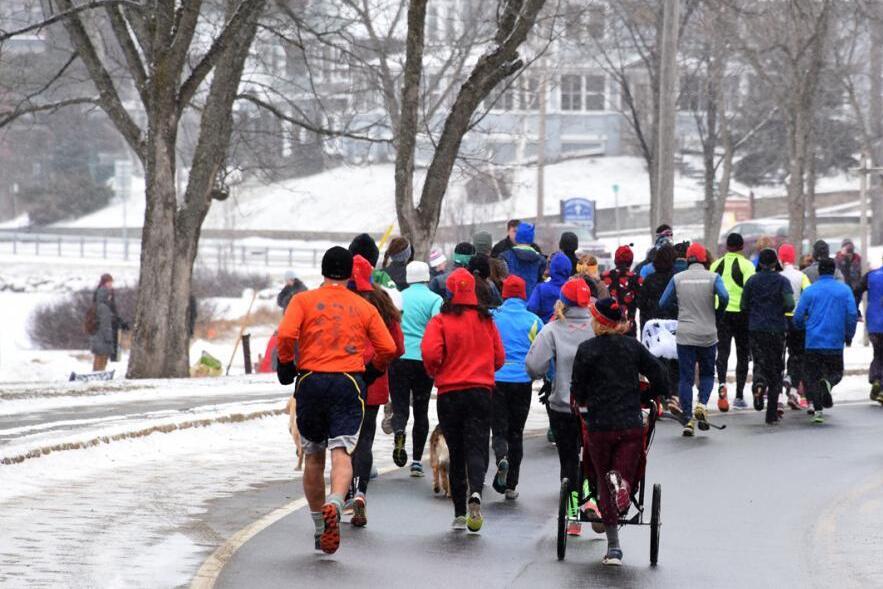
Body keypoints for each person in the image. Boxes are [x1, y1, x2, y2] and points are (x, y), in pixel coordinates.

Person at [276, 246, 397, 554]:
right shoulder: (362, 306)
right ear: (348, 275)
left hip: (311, 382)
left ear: (323, 271)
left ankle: (320, 526)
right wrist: (372, 370)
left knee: (314, 455)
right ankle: (335, 501)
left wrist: (287, 363)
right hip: (347, 383)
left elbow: (286, 334)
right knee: (341, 452)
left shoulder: (301, 301)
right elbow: (387, 347)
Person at [571, 297, 668, 566]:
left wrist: (582, 400)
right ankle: (624, 485)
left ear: (598, 322)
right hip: (629, 423)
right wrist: (658, 392)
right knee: (627, 468)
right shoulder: (633, 348)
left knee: (601, 478)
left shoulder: (587, 349)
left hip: (600, 424)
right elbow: (658, 373)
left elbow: (578, 388)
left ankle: (614, 548)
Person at [421, 268, 505, 532]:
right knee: (478, 447)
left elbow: (430, 353)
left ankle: (458, 512)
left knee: (456, 452)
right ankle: (476, 492)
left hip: (449, 393)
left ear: (450, 291)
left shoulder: (441, 321)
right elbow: (499, 357)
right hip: (481, 392)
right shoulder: (486, 321)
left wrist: (437, 370)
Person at [525, 279, 596, 536]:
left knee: (568, 461)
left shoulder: (553, 329)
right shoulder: (600, 328)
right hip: (596, 408)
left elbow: (533, 366)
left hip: (563, 406)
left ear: (562, 301)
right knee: (593, 457)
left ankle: (573, 514)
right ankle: (592, 500)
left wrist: (551, 372)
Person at [348, 255, 405, 527]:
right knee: (366, 440)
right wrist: (378, 364)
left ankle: (346, 493)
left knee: (344, 439)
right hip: (374, 379)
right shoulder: (383, 301)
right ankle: (360, 491)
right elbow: (398, 346)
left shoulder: (342, 301)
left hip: (343, 377)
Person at [660, 243, 730, 436]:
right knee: (707, 373)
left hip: (685, 334)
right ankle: (702, 404)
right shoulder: (713, 277)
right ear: (704, 259)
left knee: (686, 377)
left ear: (688, 259)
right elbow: (724, 296)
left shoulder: (678, 278)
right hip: (708, 333)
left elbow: (663, 302)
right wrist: (718, 311)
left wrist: (679, 307)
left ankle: (688, 418)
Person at [491, 275, 543, 500]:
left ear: (503, 294)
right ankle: (511, 484)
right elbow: (540, 349)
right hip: (522, 381)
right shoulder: (533, 320)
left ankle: (501, 456)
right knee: (516, 432)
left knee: (499, 430)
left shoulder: (493, 317)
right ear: (524, 295)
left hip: (497, 378)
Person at [389, 261, 443, 475]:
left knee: (400, 407)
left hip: (399, 357)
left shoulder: (398, 297)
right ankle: (417, 461)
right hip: (423, 360)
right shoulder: (435, 299)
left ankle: (399, 430)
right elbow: (438, 326)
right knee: (421, 411)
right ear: (427, 277)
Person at [792, 258, 858, 424]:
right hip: (835, 341)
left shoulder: (810, 291)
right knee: (836, 372)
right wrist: (849, 334)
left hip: (813, 341)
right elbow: (851, 314)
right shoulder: (844, 290)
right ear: (834, 271)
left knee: (812, 376)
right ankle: (828, 383)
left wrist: (802, 327)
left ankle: (818, 411)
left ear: (819, 271)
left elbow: (798, 315)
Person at [740, 249, 794, 424]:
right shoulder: (782, 281)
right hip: (777, 330)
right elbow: (789, 304)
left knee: (759, 361)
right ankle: (771, 413)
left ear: (760, 263)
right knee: (776, 368)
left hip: (756, 329)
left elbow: (743, 305)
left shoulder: (752, 281)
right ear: (774, 263)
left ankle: (758, 385)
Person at [710, 232, 755, 410]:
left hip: (721, 313)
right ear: (742, 247)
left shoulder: (715, 265)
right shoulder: (747, 265)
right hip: (741, 314)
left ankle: (722, 385)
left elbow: (710, 289)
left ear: (727, 247)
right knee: (742, 354)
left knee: (722, 352)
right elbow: (750, 291)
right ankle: (739, 395)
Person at [778, 243, 811, 409]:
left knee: (778, 356)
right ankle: (791, 384)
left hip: (779, 320)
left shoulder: (777, 275)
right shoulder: (801, 276)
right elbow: (809, 295)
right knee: (797, 354)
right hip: (797, 321)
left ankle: (777, 394)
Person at [89, 273, 128, 372]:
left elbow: (113, 315)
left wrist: (120, 322)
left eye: (111, 282)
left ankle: (99, 372)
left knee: (103, 354)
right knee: (100, 355)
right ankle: (97, 372)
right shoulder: (102, 304)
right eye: (108, 282)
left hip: (103, 332)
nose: (110, 285)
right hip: (102, 333)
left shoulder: (105, 302)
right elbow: (106, 319)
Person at [601, 245, 642, 336]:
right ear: (631, 261)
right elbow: (642, 303)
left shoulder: (604, 277)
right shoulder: (636, 279)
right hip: (628, 327)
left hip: (608, 327)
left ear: (615, 260)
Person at [636, 244, 677, 333]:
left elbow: (640, 303)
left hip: (653, 327)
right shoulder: (676, 279)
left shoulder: (649, 280)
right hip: (672, 327)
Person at [858, 258, 883, 401]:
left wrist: (855, 310)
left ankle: (876, 379)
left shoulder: (871, 275)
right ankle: (881, 388)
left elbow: (856, 290)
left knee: (879, 353)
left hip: (874, 323)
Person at [500, 222, 546, 297]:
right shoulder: (540, 260)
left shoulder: (505, 256)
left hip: (511, 301)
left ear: (517, 237)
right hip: (532, 302)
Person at [527, 251, 572, 322]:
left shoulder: (541, 289)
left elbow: (531, 309)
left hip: (543, 328)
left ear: (552, 268)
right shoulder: (572, 290)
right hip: (567, 328)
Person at [836, 238, 863, 307]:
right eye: (847, 247)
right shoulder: (837, 260)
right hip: (841, 292)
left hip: (855, 292)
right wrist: (843, 259)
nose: (849, 250)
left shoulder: (858, 260)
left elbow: (862, 276)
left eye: (850, 247)